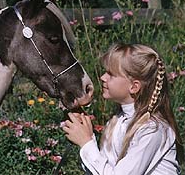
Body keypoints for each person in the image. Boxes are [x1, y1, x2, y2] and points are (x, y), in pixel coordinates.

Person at [62, 43, 184, 175]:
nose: (103, 77)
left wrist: (86, 143)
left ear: (134, 87)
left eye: (111, 74)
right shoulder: (116, 121)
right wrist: (87, 135)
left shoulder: (152, 130)